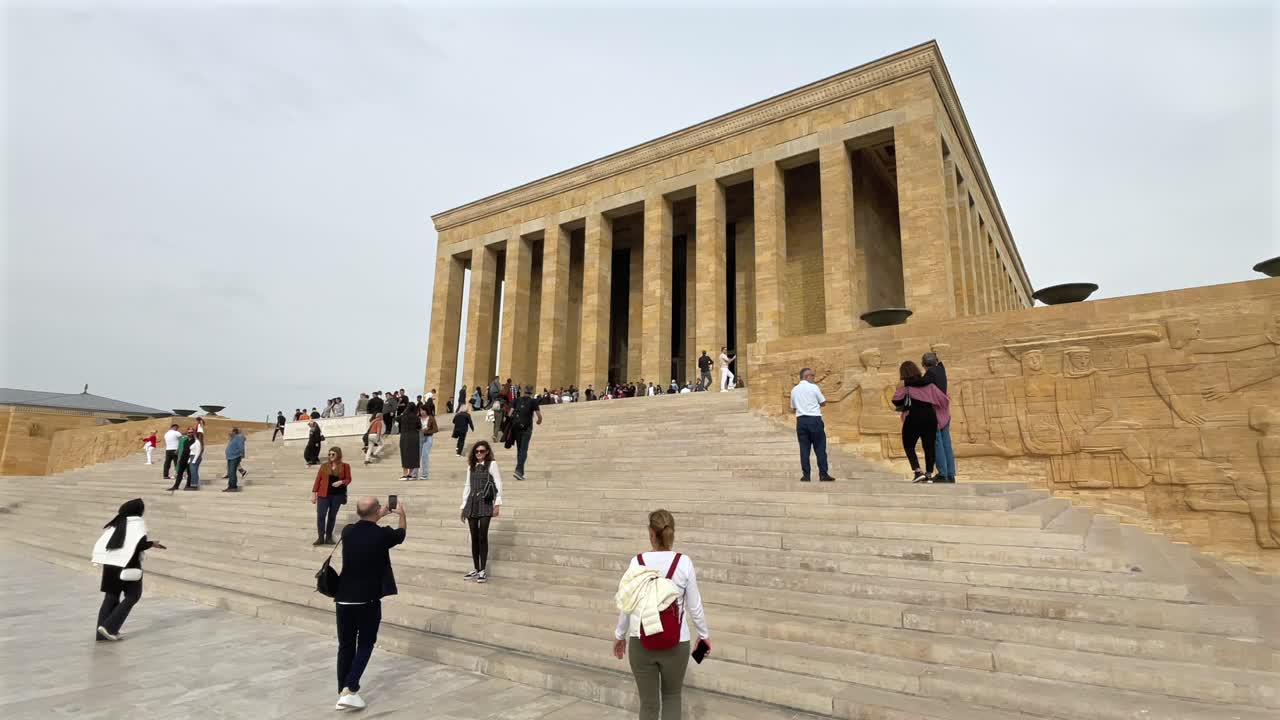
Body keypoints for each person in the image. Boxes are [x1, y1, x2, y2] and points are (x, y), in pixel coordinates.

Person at [612, 509, 710, 720]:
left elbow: (626, 604)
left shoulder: (637, 562)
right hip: (677, 642)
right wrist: (703, 635)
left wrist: (620, 635)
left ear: (651, 534)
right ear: (672, 533)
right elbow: (695, 606)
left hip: (641, 641)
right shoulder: (684, 562)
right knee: (672, 697)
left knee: (648, 705)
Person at [332, 496, 406, 711]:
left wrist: (376, 515)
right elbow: (401, 534)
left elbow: (365, 526)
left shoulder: (348, 531)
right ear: (377, 511)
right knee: (365, 643)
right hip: (367, 599)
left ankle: (342, 692)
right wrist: (401, 514)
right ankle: (350, 689)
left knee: (346, 645)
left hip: (343, 597)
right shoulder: (382, 535)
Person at [92, 498, 167, 641]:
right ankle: (109, 628)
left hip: (110, 565)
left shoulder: (115, 523)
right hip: (128, 565)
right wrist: (152, 543)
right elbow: (138, 544)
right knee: (133, 595)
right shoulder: (137, 524)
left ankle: (101, 634)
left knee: (111, 597)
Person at [892, 361, 952, 482]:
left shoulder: (906, 386)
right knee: (929, 446)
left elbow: (896, 401)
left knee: (909, 444)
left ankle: (918, 471)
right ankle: (929, 474)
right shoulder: (930, 385)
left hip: (913, 416)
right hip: (930, 416)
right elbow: (943, 400)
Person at [459, 440, 502, 583]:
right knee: (474, 537)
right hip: (472, 502)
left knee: (483, 536)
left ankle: (482, 570)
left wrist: (497, 504)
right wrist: (463, 506)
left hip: (485, 502)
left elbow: (498, 483)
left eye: (482, 451)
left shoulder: (492, 464)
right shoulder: (471, 466)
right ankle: (476, 569)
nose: (479, 453)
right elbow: (467, 485)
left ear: (487, 452)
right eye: (476, 451)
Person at [790, 368, 835, 482]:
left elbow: (793, 407)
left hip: (801, 421)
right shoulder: (814, 387)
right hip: (814, 420)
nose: (814, 378)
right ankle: (823, 474)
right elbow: (823, 402)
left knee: (804, 449)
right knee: (820, 448)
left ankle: (806, 475)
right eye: (812, 376)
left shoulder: (794, 390)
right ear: (806, 376)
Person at [922, 351, 956, 483]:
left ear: (924, 364)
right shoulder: (941, 370)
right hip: (944, 411)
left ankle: (942, 474)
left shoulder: (930, 374)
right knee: (946, 442)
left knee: (936, 442)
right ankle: (950, 474)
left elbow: (921, 385)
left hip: (935, 412)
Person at [311, 447, 351, 545]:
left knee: (332, 516)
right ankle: (321, 537)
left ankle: (328, 537)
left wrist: (341, 482)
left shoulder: (345, 466)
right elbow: (318, 479)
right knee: (321, 516)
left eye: (333, 454)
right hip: (323, 495)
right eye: (329, 454)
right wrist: (314, 493)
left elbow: (348, 479)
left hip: (337, 496)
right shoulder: (324, 466)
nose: (330, 456)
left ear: (338, 455)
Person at [509, 386, 542, 481]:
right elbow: (539, 416)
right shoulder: (533, 401)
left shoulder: (516, 401)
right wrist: (539, 421)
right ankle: (518, 470)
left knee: (519, 450)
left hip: (516, 428)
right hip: (527, 429)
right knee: (524, 450)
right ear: (531, 392)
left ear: (523, 391)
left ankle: (520, 473)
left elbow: (509, 414)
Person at [398, 404, 423, 480]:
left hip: (405, 437)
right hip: (414, 437)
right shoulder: (417, 418)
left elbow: (395, 422)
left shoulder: (403, 417)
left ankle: (405, 474)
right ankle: (410, 474)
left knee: (404, 455)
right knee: (413, 455)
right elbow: (419, 427)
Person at [418, 404, 438, 480]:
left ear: (426, 410)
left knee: (424, 456)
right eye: (421, 410)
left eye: (423, 410)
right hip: (420, 437)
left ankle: (425, 475)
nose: (422, 412)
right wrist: (419, 430)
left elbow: (435, 429)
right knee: (417, 456)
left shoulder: (431, 418)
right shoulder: (418, 418)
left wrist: (427, 431)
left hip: (428, 437)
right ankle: (414, 474)